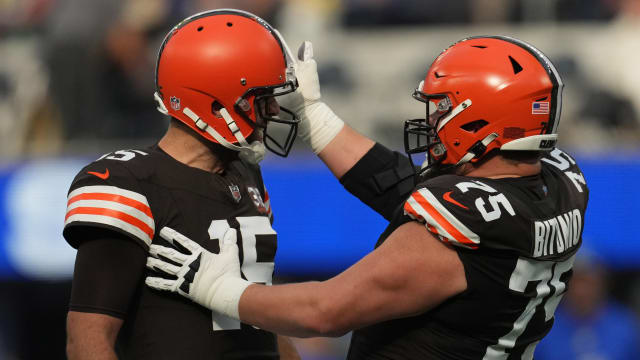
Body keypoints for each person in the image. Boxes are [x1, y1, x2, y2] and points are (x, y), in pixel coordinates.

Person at [146, 36, 589, 359]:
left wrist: (213, 284)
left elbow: (324, 312)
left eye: (443, 109)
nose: (432, 122)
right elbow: (403, 186)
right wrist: (315, 119)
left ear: (480, 121)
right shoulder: (558, 186)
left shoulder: (458, 228)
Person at [63, 9, 302, 359]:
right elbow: (87, 340)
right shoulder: (129, 183)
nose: (275, 110)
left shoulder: (246, 175)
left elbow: (260, 323)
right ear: (215, 102)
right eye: (261, 97)